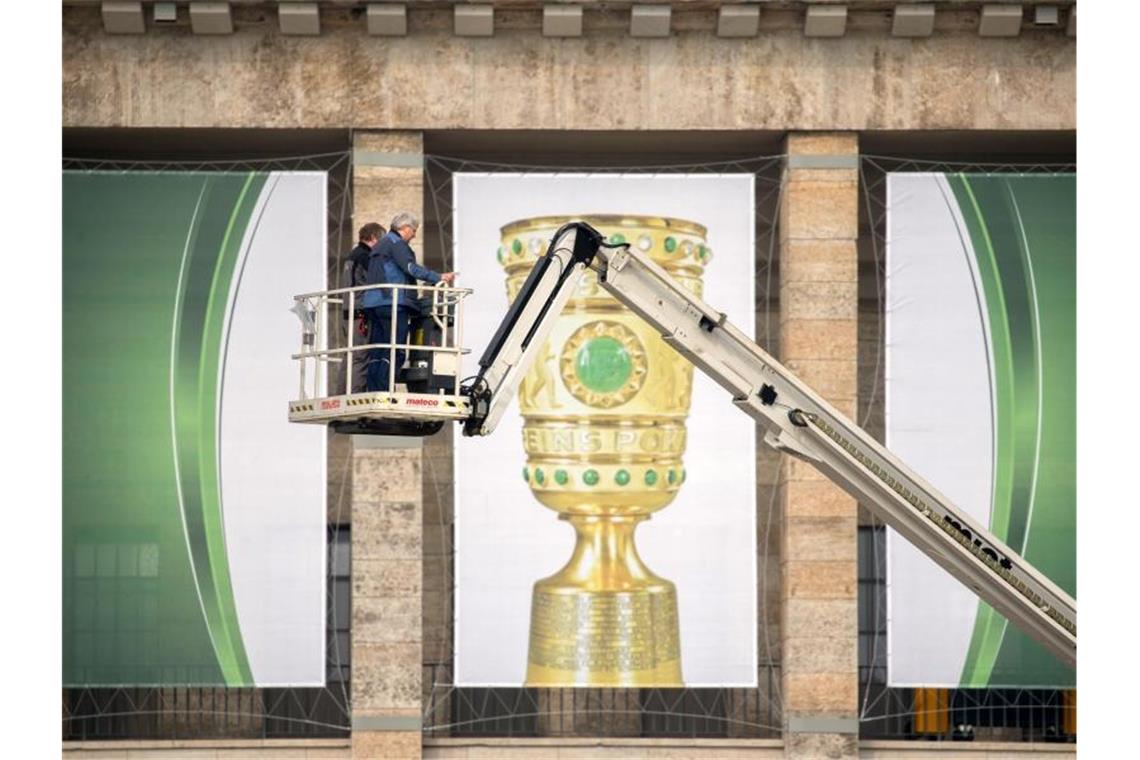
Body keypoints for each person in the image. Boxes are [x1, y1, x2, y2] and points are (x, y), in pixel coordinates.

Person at [362, 212, 456, 392]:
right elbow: (411, 268)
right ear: (404, 228)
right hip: (392, 302)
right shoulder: (397, 245)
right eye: (413, 230)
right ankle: (385, 389)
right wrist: (438, 277)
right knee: (396, 348)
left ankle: (374, 389)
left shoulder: (380, 245)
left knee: (378, 349)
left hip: (373, 304)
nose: (414, 235)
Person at [342, 222, 384, 393]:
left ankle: (342, 392)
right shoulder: (366, 257)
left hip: (349, 312)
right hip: (361, 314)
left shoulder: (353, 255)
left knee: (350, 356)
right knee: (361, 357)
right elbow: (378, 281)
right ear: (374, 238)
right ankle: (355, 394)